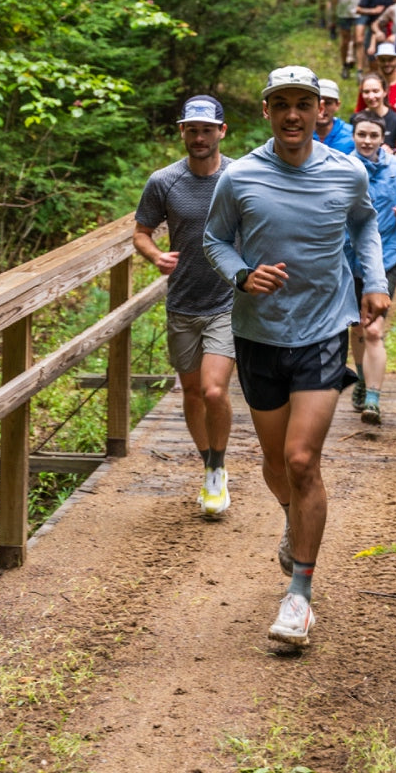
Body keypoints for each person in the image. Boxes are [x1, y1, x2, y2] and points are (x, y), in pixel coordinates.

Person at [204, 65, 390, 647]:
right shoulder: (240, 177)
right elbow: (214, 239)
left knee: (303, 460)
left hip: (324, 329)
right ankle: (293, 520)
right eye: (280, 103)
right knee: (276, 465)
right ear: (266, 111)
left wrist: (373, 280)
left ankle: (299, 597)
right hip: (259, 333)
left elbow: (365, 227)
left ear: (320, 110)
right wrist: (241, 275)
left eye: (302, 103)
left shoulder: (346, 170)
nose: (292, 114)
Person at [134, 95, 237, 517]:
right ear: (182, 132)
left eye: (207, 130)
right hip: (182, 301)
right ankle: (209, 463)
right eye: (192, 130)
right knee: (192, 392)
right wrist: (155, 255)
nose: (199, 137)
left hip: (228, 300)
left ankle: (217, 468)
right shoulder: (164, 181)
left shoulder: (239, 175)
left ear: (221, 132)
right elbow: (141, 232)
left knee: (214, 390)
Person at [345, 110, 396, 425]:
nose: (367, 140)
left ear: (382, 138)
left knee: (373, 329)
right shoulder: (342, 167)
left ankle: (372, 399)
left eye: (373, 135)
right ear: (354, 136)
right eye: (362, 134)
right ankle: (362, 379)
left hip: (385, 256)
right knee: (357, 326)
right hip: (347, 257)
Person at [356, 73, 396, 160]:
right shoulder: (356, 119)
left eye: (375, 91)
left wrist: (390, 153)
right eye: (366, 92)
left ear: (385, 92)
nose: (371, 96)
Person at [356, 0, 395, 69]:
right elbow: (358, 9)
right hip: (373, 29)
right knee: (372, 57)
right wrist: (373, 11)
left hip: (389, 29)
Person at [315, 78, 354, 154]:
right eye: (318, 103)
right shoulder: (300, 133)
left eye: (328, 103)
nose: (322, 108)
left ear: (337, 105)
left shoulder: (352, 134)